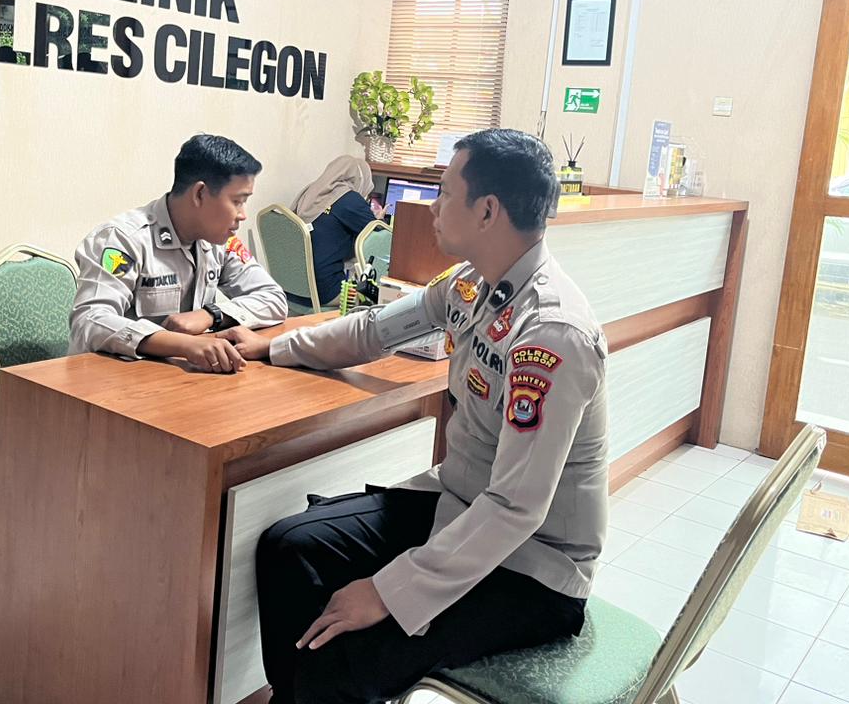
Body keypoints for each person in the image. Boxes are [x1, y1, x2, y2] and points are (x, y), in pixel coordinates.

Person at [220, 129, 608, 704]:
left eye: (445, 192)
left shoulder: (552, 333)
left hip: (533, 568)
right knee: (290, 546)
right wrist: (273, 346)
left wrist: (387, 591)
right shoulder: (471, 285)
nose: (430, 206)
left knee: (344, 657)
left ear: (487, 211)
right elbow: (372, 330)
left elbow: (515, 508)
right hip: (460, 505)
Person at [69, 134, 287, 373]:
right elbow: (90, 320)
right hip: (112, 381)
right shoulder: (123, 239)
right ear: (200, 194)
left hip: (179, 379)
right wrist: (182, 344)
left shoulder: (220, 241)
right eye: (237, 201)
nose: (243, 215)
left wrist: (211, 315)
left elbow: (273, 298)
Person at [289, 156, 379, 309]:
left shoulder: (311, 192)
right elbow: (379, 236)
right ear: (361, 179)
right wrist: (379, 220)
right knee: (375, 294)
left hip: (292, 288)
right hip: (325, 292)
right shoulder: (349, 198)